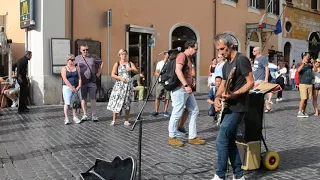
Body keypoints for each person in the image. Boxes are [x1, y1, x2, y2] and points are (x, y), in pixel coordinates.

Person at [212, 33, 254, 180]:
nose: (220, 53)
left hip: (239, 106)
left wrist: (234, 94)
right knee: (229, 141)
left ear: (231, 46)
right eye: (218, 50)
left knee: (221, 139)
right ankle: (239, 175)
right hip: (228, 106)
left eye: (223, 49)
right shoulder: (225, 65)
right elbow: (223, 84)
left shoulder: (241, 59)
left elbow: (250, 82)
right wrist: (217, 98)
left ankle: (220, 175)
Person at [168, 40, 205, 147]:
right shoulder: (181, 56)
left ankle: (192, 137)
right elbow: (178, 70)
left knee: (194, 110)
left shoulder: (189, 58)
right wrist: (185, 85)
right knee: (177, 112)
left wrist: (191, 80)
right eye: (195, 49)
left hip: (186, 89)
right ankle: (172, 137)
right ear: (189, 47)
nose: (196, 51)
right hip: (180, 89)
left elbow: (187, 72)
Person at [107, 49, 139, 126]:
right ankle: (114, 120)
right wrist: (120, 78)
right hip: (119, 85)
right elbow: (112, 74)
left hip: (128, 85)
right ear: (119, 55)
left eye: (125, 54)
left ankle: (127, 120)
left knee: (127, 103)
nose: (124, 56)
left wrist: (131, 69)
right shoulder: (117, 63)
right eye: (122, 54)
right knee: (116, 101)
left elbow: (137, 72)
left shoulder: (129, 63)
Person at [75, 45, 103, 122]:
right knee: (83, 99)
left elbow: (101, 63)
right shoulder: (77, 58)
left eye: (87, 50)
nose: (85, 51)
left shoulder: (93, 57)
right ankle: (85, 114)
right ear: (80, 50)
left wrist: (98, 74)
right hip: (82, 82)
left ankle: (94, 115)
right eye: (84, 50)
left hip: (92, 82)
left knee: (93, 99)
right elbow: (72, 66)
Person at [61, 54, 82, 124]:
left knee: (75, 102)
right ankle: (66, 118)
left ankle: (75, 117)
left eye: (74, 60)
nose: (73, 61)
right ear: (68, 60)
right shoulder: (64, 68)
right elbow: (65, 79)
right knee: (67, 103)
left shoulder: (77, 68)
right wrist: (71, 87)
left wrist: (79, 85)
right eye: (72, 60)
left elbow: (79, 78)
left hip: (75, 87)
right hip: (67, 87)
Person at [152, 52, 171, 117]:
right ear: (164, 55)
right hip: (161, 82)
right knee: (157, 97)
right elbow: (156, 72)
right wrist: (161, 75)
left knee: (167, 97)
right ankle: (156, 111)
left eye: (169, 55)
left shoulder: (170, 63)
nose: (169, 56)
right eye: (168, 54)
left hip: (168, 82)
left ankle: (165, 111)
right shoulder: (160, 63)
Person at [297, 52, 313, 118]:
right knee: (303, 98)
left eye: (309, 56)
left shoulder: (310, 65)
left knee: (306, 99)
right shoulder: (299, 63)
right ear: (304, 56)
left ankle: (303, 111)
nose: (309, 57)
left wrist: (313, 63)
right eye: (308, 56)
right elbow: (298, 70)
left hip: (309, 83)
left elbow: (314, 69)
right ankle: (299, 112)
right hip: (303, 83)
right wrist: (303, 63)